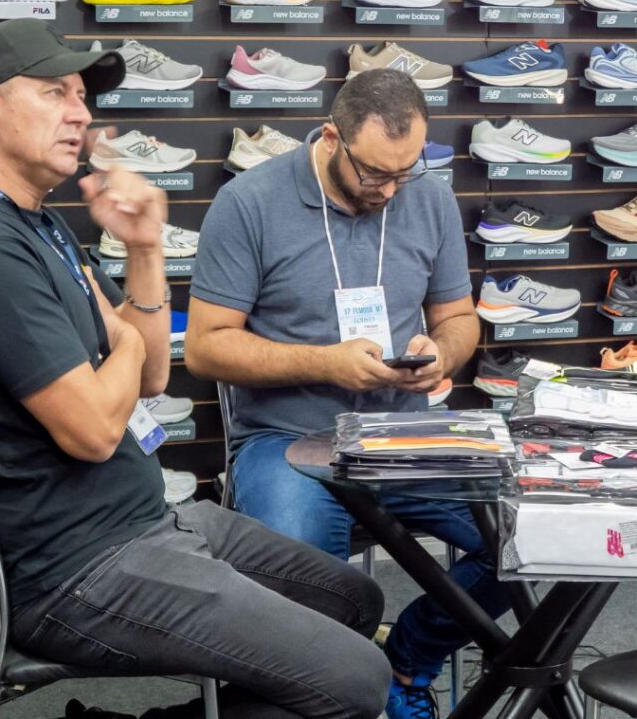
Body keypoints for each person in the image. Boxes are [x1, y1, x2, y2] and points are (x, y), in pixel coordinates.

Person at [0, 19, 391, 719]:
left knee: (354, 600)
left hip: (145, 518)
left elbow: (151, 376)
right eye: (56, 92)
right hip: (74, 567)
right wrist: (123, 339)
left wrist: (146, 247)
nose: (81, 113)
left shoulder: (35, 222)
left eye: (83, 96)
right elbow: (95, 429)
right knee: (358, 680)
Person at [186, 69, 508, 719]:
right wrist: (323, 363)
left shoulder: (429, 198)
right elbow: (205, 348)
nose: (388, 191)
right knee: (306, 583)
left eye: (404, 173)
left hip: (402, 436)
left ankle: (406, 661)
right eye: (374, 174)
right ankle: (338, 694)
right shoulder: (249, 202)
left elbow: (458, 318)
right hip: (285, 440)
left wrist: (440, 354)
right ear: (331, 138)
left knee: (535, 536)